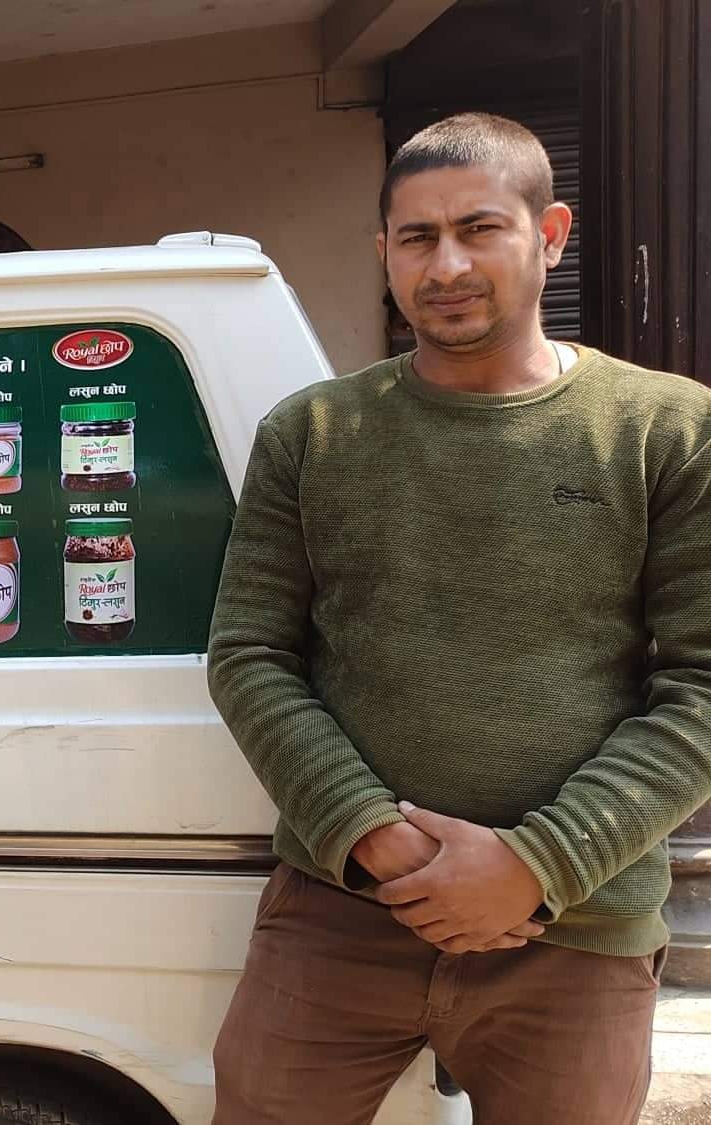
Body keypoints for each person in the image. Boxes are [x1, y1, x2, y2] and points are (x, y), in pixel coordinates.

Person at [206, 112, 711, 1125]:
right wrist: (371, 837)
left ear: (549, 234)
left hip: (573, 929)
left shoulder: (665, 428)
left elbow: (699, 685)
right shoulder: (312, 434)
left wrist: (537, 864)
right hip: (340, 913)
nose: (445, 266)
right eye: (416, 237)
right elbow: (249, 654)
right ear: (383, 251)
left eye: (479, 229)